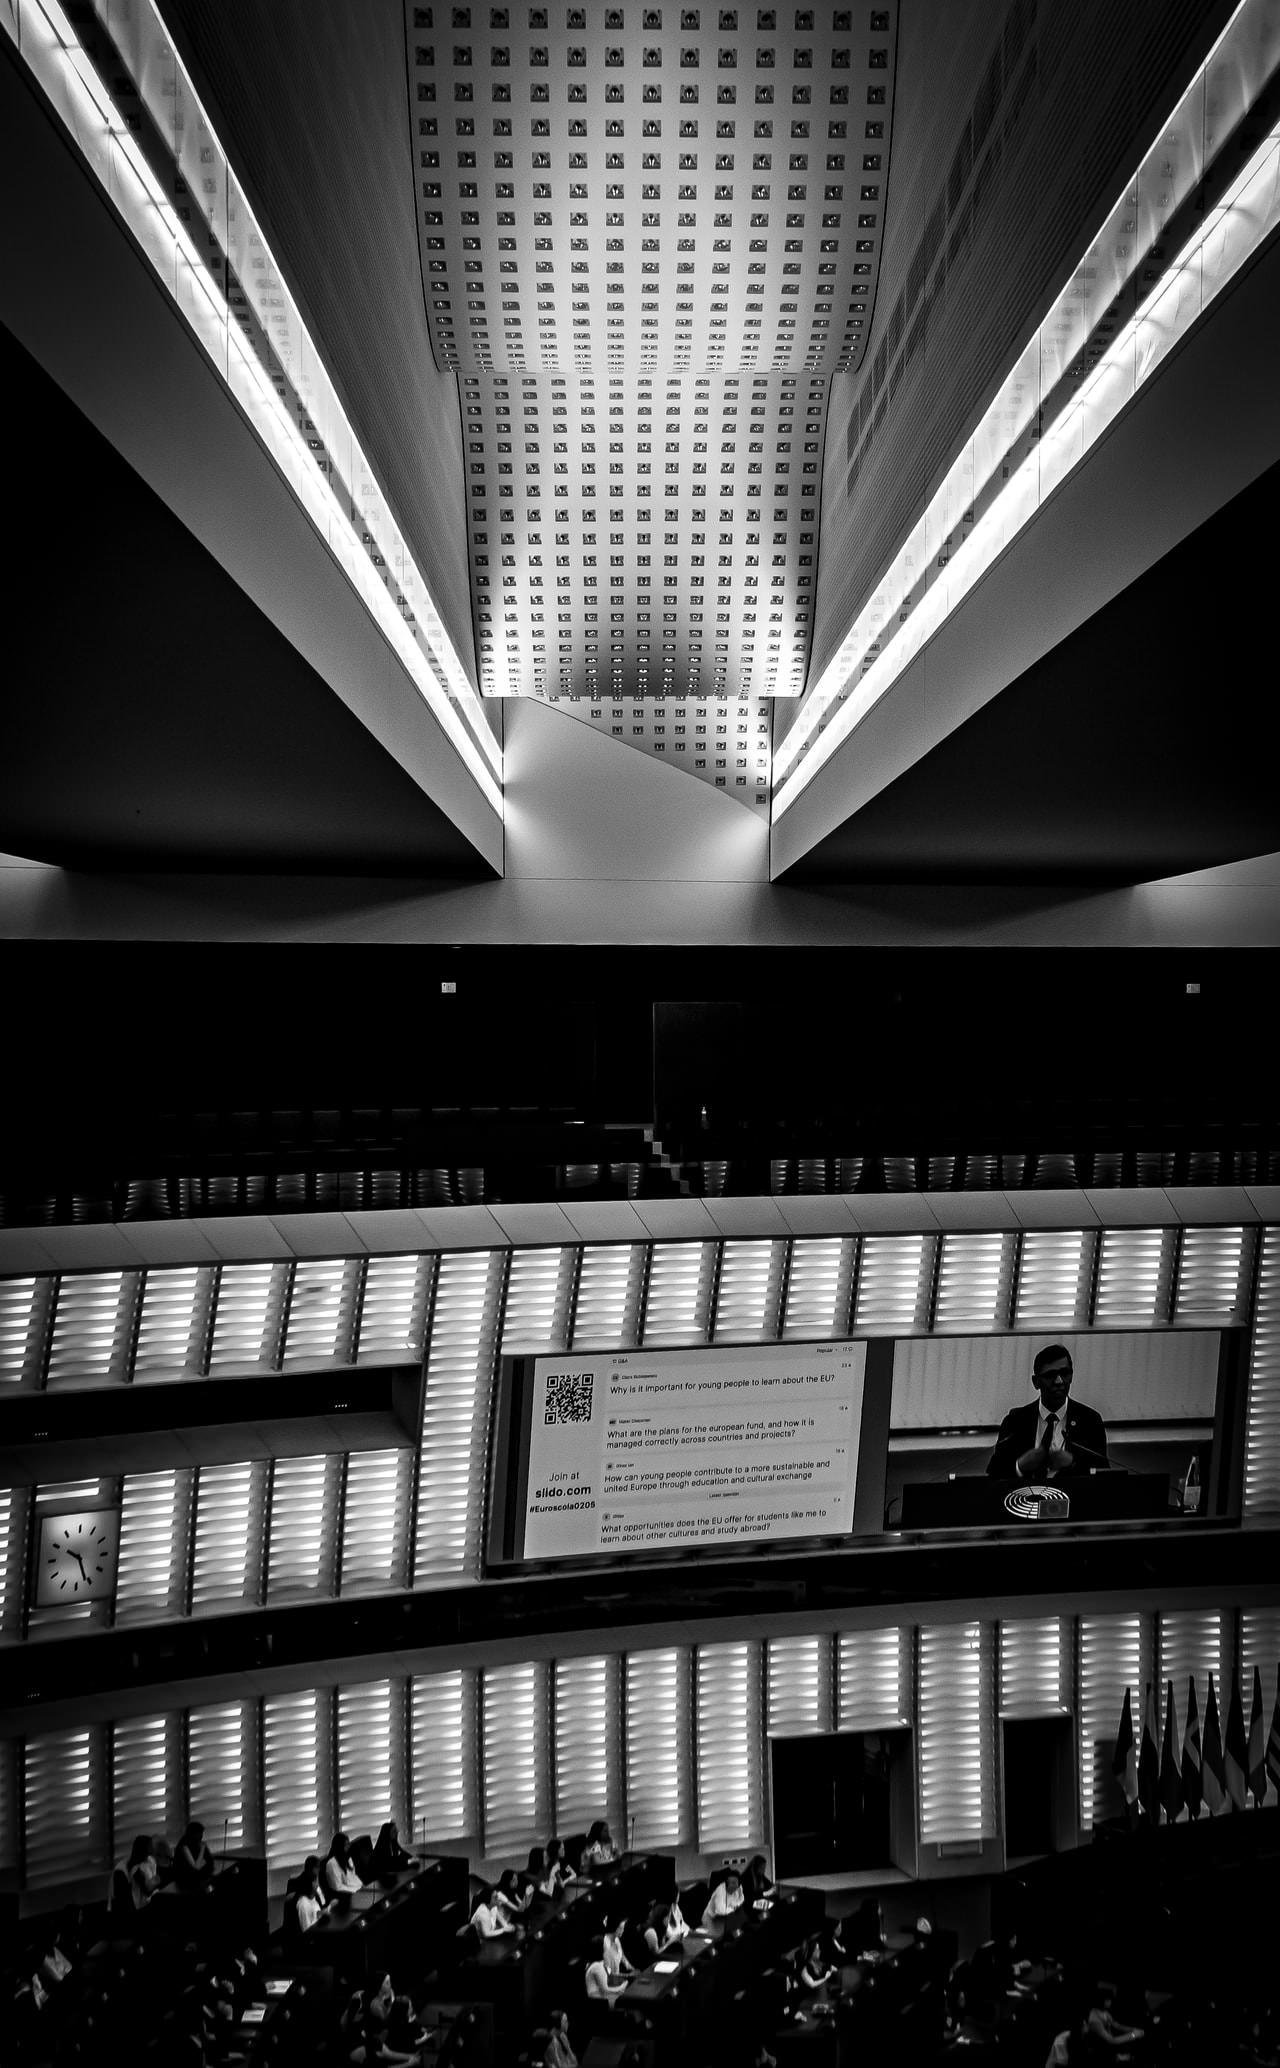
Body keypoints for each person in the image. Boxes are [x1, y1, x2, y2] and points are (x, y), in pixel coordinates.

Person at [987, 1343, 1109, 1480]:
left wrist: (1072, 1464)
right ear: (1036, 1382)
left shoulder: (1089, 1421)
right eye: (1050, 1375)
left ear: (1072, 1376)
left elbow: (1102, 1477)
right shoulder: (1015, 1421)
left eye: (1064, 1373)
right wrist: (1019, 1466)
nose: (1059, 1381)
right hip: (1024, 1498)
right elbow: (993, 1476)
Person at [585, 1934, 629, 2003]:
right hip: (598, 2000)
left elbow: (610, 1975)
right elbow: (605, 1989)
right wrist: (622, 1987)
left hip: (600, 1996)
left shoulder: (595, 1963)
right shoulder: (597, 1966)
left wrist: (627, 1977)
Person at [173, 1820, 216, 1890]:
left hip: (199, 1878)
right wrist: (202, 1850)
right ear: (193, 1834)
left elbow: (209, 1860)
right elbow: (196, 1867)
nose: (202, 1836)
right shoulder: (184, 1845)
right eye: (200, 1833)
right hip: (186, 1881)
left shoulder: (197, 1843)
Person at [643, 1890, 688, 1957]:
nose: (668, 1919)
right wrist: (670, 1942)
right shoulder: (651, 1932)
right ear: (661, 1918)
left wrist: (676, 1938)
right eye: (668, 1917)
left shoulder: (663, 1927)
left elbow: (673, 1936)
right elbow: (656, 1954)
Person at [293, 1857, 326, 1932]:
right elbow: (307, 1930)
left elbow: (322, 1903)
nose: (317, 1885)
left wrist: (323, 1912)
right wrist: (319, 1915)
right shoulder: (303, 1904)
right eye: (315, 1882)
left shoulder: (314, 1897)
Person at [602, 1916, 635, 1981]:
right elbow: (608, 1973)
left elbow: (622, 1956)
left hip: (617, 1979)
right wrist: (629, 1975)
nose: (623, 1930)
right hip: (607, 1983)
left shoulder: (616, 1939)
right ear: (613, 1927)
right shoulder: (605, 1944)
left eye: (623, 1928)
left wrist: (632, 1968)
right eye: (620, 1928)